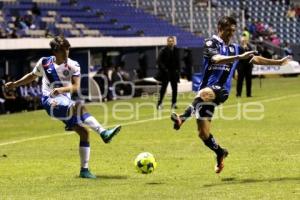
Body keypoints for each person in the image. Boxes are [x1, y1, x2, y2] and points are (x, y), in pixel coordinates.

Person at [170, 16, 290, 174]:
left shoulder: (234, 48)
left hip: (221, 90)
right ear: (219, 28)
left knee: (204, 93)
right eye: (228, 31)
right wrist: (238, 58)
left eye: (233, 31)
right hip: (204, 94)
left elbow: (255, 59)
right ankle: (220, 153)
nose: (230, 34)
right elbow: (216, 59)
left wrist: (278, 62)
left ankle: (182, 118)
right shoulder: (210, 43)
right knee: (203, 133)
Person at [5, 36, 122, 179]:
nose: (67, 54)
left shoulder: (74, 65)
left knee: (84, 133)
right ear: (56, 52)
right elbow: (32, 76)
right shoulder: (44, 63)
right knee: (79, 106)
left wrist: (61, 90)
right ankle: (103, 132)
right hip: (50, 101)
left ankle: (84, 170)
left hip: (64, 100)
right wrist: (15, 84)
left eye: (68, 50)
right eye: (64, 52)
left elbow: (76, 86)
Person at [156, 36, 180, 109]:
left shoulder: (176, 50)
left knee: (175, 89)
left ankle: (174, 103)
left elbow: (178, 61)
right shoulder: (163, 50)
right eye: (169, 41)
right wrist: (164, 69)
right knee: (163, 89)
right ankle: (159, 104)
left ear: (174, 42)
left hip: (174, 72)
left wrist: (178, 71)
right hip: (165, 72)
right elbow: (159, 61)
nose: (171, 42)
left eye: (172, 41)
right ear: (167, 42)